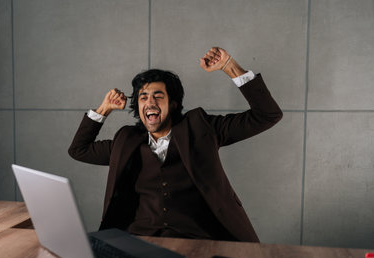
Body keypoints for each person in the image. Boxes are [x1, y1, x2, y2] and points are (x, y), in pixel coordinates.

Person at [69, 47, 282, 242]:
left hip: (199, 241)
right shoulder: (127, 140)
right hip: (139, 241)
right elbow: (79, 150)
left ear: (173, 103)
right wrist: (104, 109)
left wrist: (230, 67)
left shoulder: (200, 128)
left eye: (158, 96)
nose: (150, 102)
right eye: (143, 97)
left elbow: (267, 115)